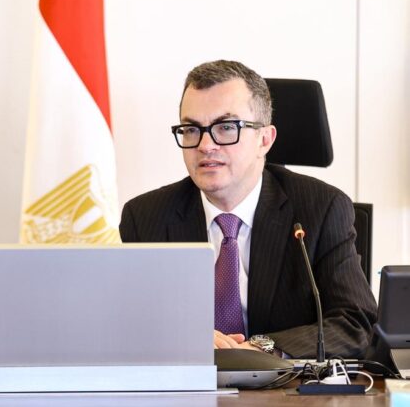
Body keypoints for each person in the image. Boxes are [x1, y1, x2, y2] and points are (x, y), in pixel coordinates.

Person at [120, 60, 377, 358]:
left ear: (264, 140)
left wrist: (259, 349)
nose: (205, 145)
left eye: (226, 127)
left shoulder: (321, 209)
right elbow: (126, 322)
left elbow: (356, 322)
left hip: (286, 385)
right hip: (187, 382)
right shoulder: (145, 217)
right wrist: (186, 337)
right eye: (191, 129)